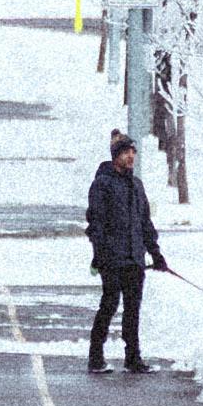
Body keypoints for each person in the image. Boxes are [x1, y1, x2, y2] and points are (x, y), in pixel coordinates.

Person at [81, 129, 163, 373]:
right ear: (116, 155)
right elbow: (96, 223)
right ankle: (96, 356)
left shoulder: (136, 186)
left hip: (134, 258)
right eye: (126, 152)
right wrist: (100, 254)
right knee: (109, 304)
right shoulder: (102, 184)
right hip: (111, 258)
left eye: (133, 152)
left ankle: (133, 358)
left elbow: (144, 222)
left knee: (133, 309)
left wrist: (155, 252)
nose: (131, 157)